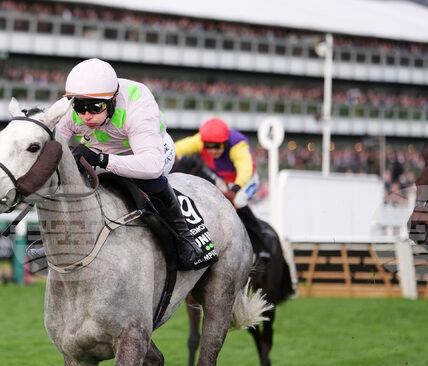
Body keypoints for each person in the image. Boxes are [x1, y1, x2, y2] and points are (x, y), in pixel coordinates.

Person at [54, 58, 215, 270]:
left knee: (147, 179)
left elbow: (151, 165)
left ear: (112, 100)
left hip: (152, 153)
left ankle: (185, 239)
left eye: (94, 107)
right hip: (104, 151)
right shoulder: (70, 112)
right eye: (80, 108)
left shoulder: (136, 105)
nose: (86, 116)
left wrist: (101, 159)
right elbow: (53, 149)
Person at [174, 117, 271, 261]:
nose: (212, 151)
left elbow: (245, 169)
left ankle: (262, 241)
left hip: (246, 180)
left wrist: (235, 189)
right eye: (209, 146)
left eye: (217, 146)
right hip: (224, 180)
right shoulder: (200, 140)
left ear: (225, 143)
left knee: (238, 200)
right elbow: (178, 147)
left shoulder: (237, 145)